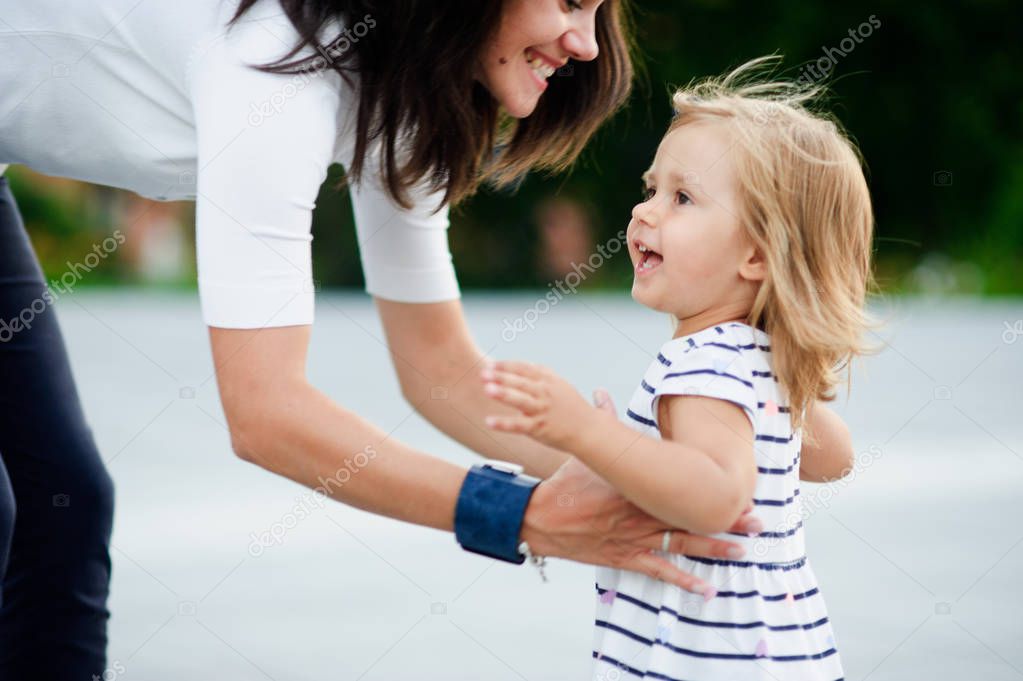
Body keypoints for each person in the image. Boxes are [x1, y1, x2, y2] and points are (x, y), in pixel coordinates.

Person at [0, 1, 763, 677]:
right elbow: (264, 414)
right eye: (566, 2)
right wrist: (521, 515)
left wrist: (650, 478)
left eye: (598, 12)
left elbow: (442, 373)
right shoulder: (278, 68)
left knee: (60, 509)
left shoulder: (405, 82)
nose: (589, 43)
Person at [481, 57, 874, 680]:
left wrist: (589, 434)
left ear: (757, 254)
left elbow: (717, 496)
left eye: (682, 197)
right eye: (650, 190)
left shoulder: (699, 368)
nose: (645, 213)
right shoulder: (755, 362)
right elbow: (836, 455)